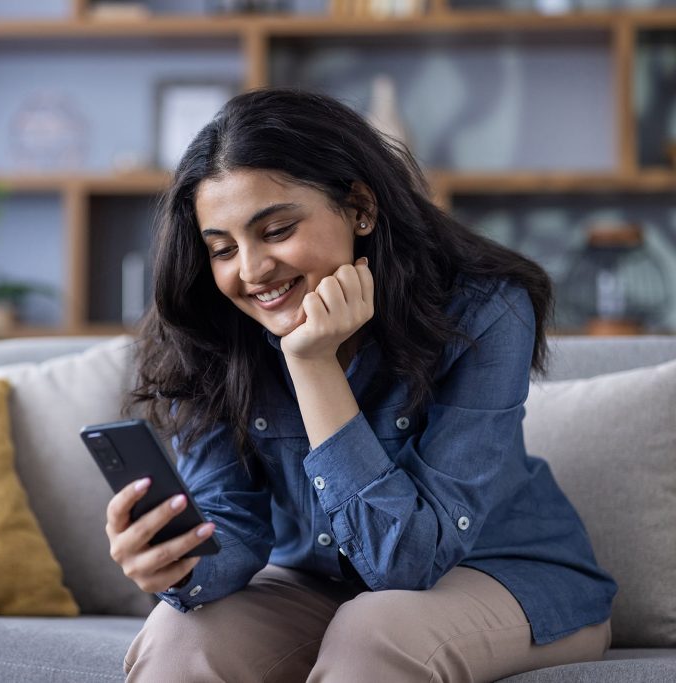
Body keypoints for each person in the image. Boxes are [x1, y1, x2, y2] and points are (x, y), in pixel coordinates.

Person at [105, 88, 616, 682]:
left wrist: (312, 363)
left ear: (361, 209)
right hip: (319, 584)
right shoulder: (213, 331)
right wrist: (176, 564)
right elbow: (233, 523)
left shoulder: (486, 311)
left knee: (374, 633)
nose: (250, 271)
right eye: (222, 248)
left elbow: (406, 564)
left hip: (504, 575)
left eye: (275, 230)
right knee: (177, 637)